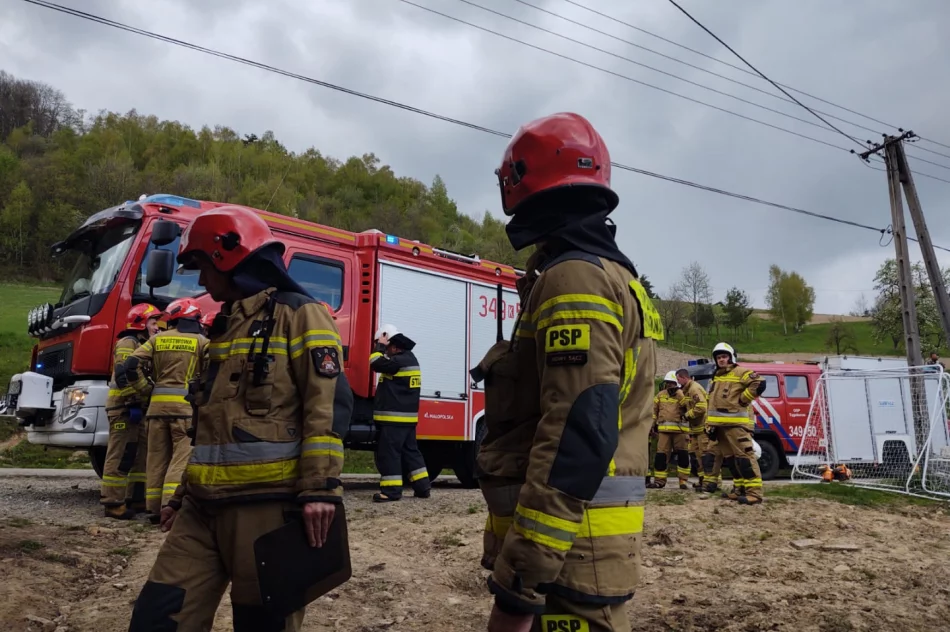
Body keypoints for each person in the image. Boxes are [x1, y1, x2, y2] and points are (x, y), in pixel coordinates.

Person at [471, 112, 661, 632]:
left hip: (566, 556)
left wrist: (520, 586)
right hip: (576, 549)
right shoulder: (609, 273)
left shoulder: (575, 277)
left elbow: (575, 433)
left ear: (520, 180)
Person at [128, 206, 352, 631]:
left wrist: (320, 489)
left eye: (201, 266)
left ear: (226, 256)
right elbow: (212, 422)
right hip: (201, 509)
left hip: (267, 508)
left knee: (262, 624)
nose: (200, 281)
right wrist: (181, 496)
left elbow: (327, 406)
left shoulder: (301, 314)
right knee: (157, 618)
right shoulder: (223, 326)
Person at [124, 297, 207, 523]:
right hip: (185, 411)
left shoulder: (157, 339)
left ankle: (152, 508)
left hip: (156, 409)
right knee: (179, 460)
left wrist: (145, 389)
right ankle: (169, 507)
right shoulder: (201, 341)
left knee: (156, 459)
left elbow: (130, 365)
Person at [101, 303, 161, 519]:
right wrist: (134, 400)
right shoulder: (128, 342)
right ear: (140, 323)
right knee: (121, 453)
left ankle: (135, 499)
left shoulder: (143, 343)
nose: (157, 327)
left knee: (139, 454)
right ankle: (112, 502)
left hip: (137, 408)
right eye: (154, 323)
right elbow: (122, 373)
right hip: (124, 408)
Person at [370, 324, 430, 502]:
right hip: (406, 419)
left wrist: (379, 346)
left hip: (394, 419)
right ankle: (423, 487)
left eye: (387, 347)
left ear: (394, 345)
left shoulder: (399, 360)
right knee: (411, 452)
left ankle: (391, 491)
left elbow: (375, 363)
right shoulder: (408, 359)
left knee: (389, 454)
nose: (386, 352)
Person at [705, 342, 765, 504]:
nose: (721, 360)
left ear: (731, 357)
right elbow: (711, 402)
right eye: (719, 357)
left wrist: (743, 399)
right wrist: (710, 424)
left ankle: (755, 493)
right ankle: (739, 489)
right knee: (732, 460)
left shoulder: (741, 372)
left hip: (736, 425)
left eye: (724, 357)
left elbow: (759, 382)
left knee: (745, 458)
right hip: (719, 427)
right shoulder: (717, 376)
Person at [648, 371, 691, 490]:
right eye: (667, 383)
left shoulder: (683, 395)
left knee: (683, 456)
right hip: (664, 432)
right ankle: (659, 481)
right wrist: (651, 426)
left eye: (671, 383)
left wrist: (681, 395)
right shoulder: (660, 395)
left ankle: (683, 480)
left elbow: (689, 408)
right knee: (661, 456)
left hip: (681, 432)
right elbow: (654, 412)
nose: (669, 386)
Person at [676, 367, 708, 490]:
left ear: (684, 378)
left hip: (703, 429)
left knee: (705, 456)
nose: (678, 383)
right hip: (695, 430)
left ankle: (711, 482)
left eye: (679, 380)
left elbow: (701, 407)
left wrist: (687, 415)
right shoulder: (687, 390)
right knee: (697, 457)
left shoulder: (694, 389)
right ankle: (702, 481)